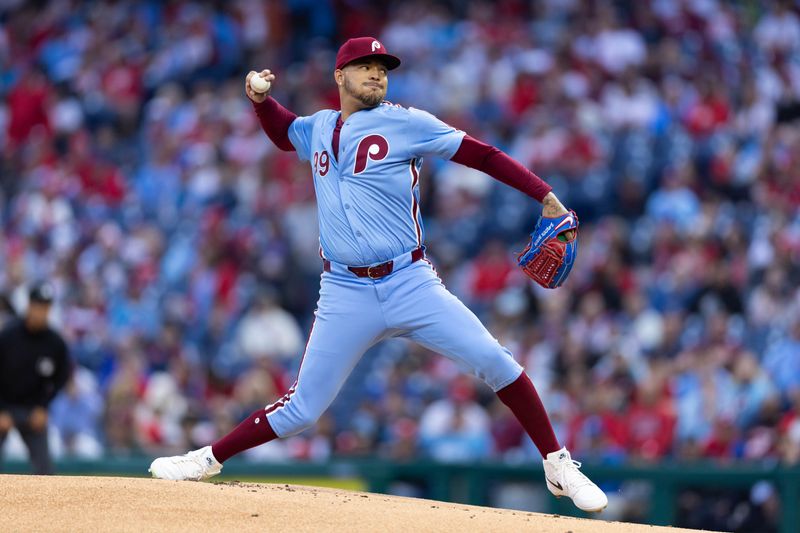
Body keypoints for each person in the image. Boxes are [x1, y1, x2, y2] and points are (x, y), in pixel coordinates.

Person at [150, 37, 607, 512]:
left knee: (496, 362)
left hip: (409, 280)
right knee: (302, 408)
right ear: (339, 77)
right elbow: (285, 132)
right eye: (364, 66)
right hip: (344, 289)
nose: (375, 74)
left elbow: (482, 154)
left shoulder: (407, 122)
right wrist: (261, 101)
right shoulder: (320, 127)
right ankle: (206, 459)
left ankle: (557, 464)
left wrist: (546, 195)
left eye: (382, 68)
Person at [0, 283, 72, 474]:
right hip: (4, 408)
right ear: (29, 305)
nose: (41, 311)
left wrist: (43, 406)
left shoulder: (55, 343)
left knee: (46, 472)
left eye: (46, 307)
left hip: (33, 411)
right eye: (38, 305)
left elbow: (61, 378)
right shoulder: (8, 336)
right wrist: (1, 409)